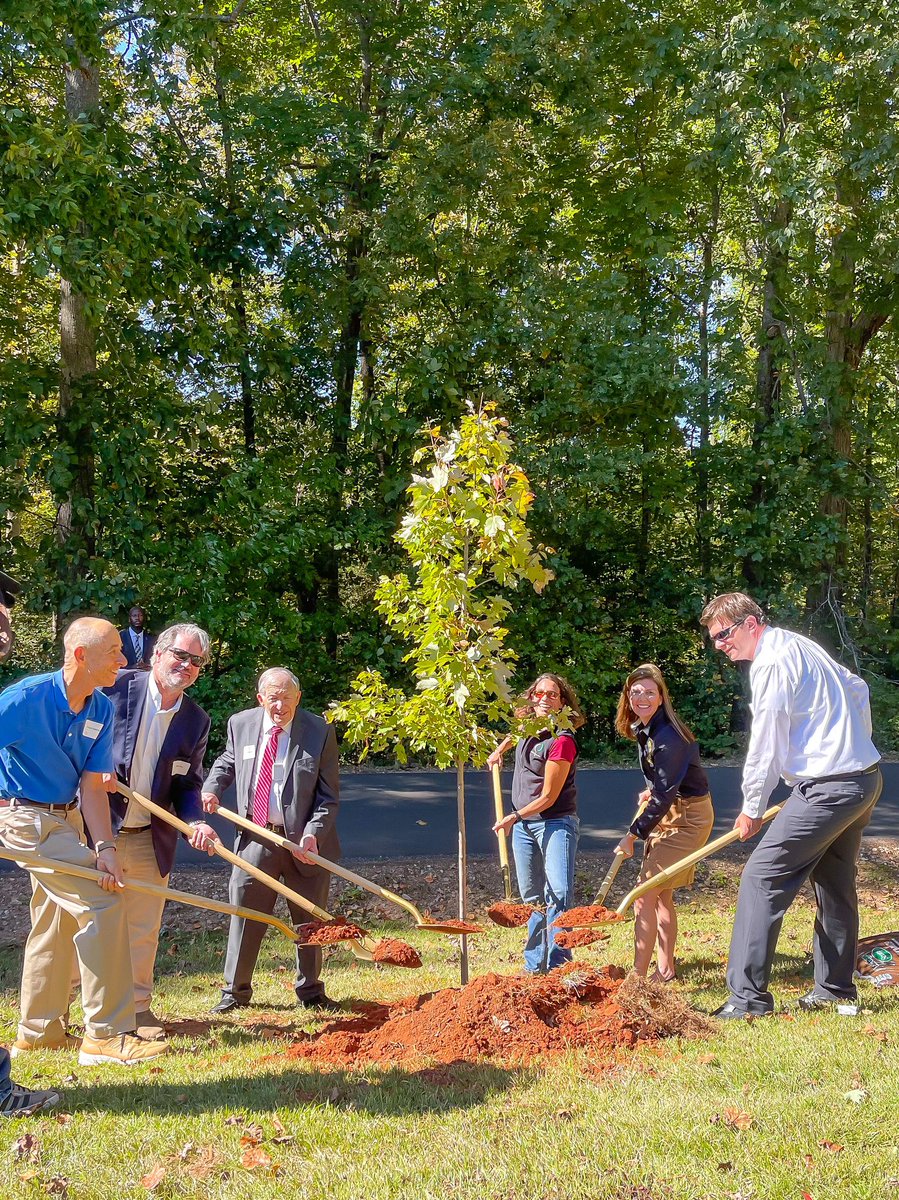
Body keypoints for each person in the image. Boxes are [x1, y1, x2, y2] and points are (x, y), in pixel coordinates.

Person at [700, 592, 882, 1018]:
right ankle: (834, 990)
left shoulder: (772, 662)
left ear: (750, 623)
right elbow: (858, 686)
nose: (720, 645)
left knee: (762, 878)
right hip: (862, 780)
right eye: (714, 639)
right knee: (834, 883)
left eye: (724, 634)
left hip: (829, 788)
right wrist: (858, 743)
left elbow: (766, 742)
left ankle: (747, 1000)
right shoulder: (797, 643)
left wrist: (752, 806)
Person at [0, 617, 168, 1067]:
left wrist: (106, 849)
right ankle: (105, 1036)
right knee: (101, 902)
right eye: (113, 650)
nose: (124, 658)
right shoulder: (23, 699)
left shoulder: (100, 708)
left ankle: (38, 1032)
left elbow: (94, 787)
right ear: (80, 655)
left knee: (57, 918)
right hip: (21, 816)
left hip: (67, 818)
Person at [103, 623, 219, 1039]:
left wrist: (196, 822)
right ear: (157, 654)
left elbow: (188, 782)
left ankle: (137, 1009)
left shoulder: (195, 720)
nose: (186, 666)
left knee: (142, 928)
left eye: (196, 662)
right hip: (98, 828)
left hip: (148, 837)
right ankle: (62, 1012)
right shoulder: (115, 689)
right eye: (180, 656)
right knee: (78, 924)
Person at [202, 668, 341, 1012]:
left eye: (287, 698)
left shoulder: (319, 732)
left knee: (310, 922)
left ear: (299, 698)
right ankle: (234, 993)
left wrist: (313, 834)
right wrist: (212, 787)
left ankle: (310, 990)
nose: (280, 706)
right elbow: (228, 760)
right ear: (260, 698)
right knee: (245, 914)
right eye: (273, 698)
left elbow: (328, 797)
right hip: (256, 837)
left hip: (304, 845)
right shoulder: (242, 723)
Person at [613, 664, 714, 982]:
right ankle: (665, 970)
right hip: (671, 810)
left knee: (644, 893)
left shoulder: (669, 736)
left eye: (649, 692)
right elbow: (666, 782)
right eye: (635, 692)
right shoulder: (645, 729)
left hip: (688, 820)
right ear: (628, 698)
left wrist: (632, 834)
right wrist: (655, 788)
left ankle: (638, 979)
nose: (642, 697)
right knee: (661, 894)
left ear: (661, 698)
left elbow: (665, 795)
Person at [490, 673, 585, 974]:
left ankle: (558, 968)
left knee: (557, 894)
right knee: (532, 899)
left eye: (552, 694)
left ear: (562, 702)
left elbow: (548, 797)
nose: (544, 699)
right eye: (539, 693)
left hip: (555, 823)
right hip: (523, 826)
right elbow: (516, 734)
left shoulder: (562, 741)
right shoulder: (527, 727)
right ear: (531, 698)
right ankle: (533, 969)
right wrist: (499, 751)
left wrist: (514, 817)